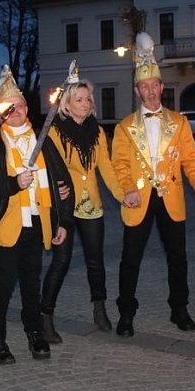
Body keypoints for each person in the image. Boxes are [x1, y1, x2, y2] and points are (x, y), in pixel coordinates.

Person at [111, 32, 195, 336]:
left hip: (171, 196)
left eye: (155, 85)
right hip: (138, 198)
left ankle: (179, 310)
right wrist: (127, 188)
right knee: (130, 259)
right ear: (137, 90)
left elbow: (192, 158)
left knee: (177, 258)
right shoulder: (124, 127)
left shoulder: (178, 123)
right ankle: (126, 314)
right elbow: (120, 164)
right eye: (145, 86)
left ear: (162, 88)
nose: (151, 91)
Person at [0, 66, 73, 364]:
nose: (14, 111)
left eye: (19, 105)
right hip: (5, 224)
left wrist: (62, 218)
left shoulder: (41, 139)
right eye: (7, 107)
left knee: (31, 284)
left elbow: (62, 181)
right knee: (3, 285)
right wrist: (14, 183)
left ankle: (34, 331)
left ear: (27, 107)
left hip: (36, 223)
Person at [39, 64, 123, 343]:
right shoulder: (53, 131)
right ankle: (45, 316)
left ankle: (99, 308)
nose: (85, 103)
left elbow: (106, 168)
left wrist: (124, 195)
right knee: (61, 261)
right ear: (67, 102)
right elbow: (47, 169)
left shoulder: (97, 132)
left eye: (88, 99)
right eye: (79, 99)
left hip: (91, 206)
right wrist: (55, 190)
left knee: (95, 261)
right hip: (64, 207)